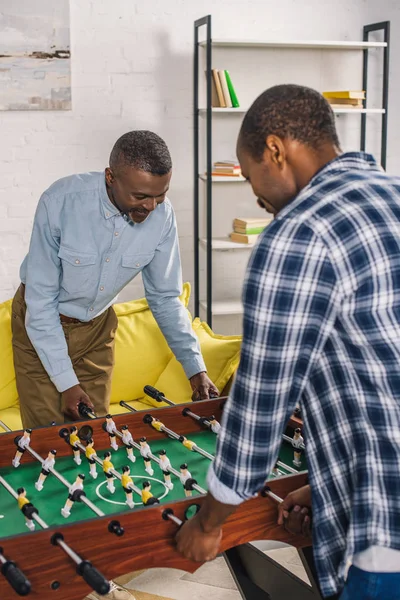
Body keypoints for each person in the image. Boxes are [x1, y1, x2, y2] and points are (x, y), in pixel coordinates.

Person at [176, 85, 400, 600]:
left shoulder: (297, 235)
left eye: (252, 176)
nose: (256, 198)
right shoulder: (390, 194)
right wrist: (325, 485)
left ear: (276, 150)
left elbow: (258, 414)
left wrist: (209, 523)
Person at [11, 130, 218, 429]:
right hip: (40, 324)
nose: (150, 207)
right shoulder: (60, 202)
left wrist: (195, 368)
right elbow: (41, 302)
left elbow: (165, 298)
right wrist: (67, 383)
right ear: (111, 177)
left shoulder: (163, 216)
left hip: (97, 330)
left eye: (160, 195)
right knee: (48, 439)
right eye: (140, 196)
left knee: (94, 433)